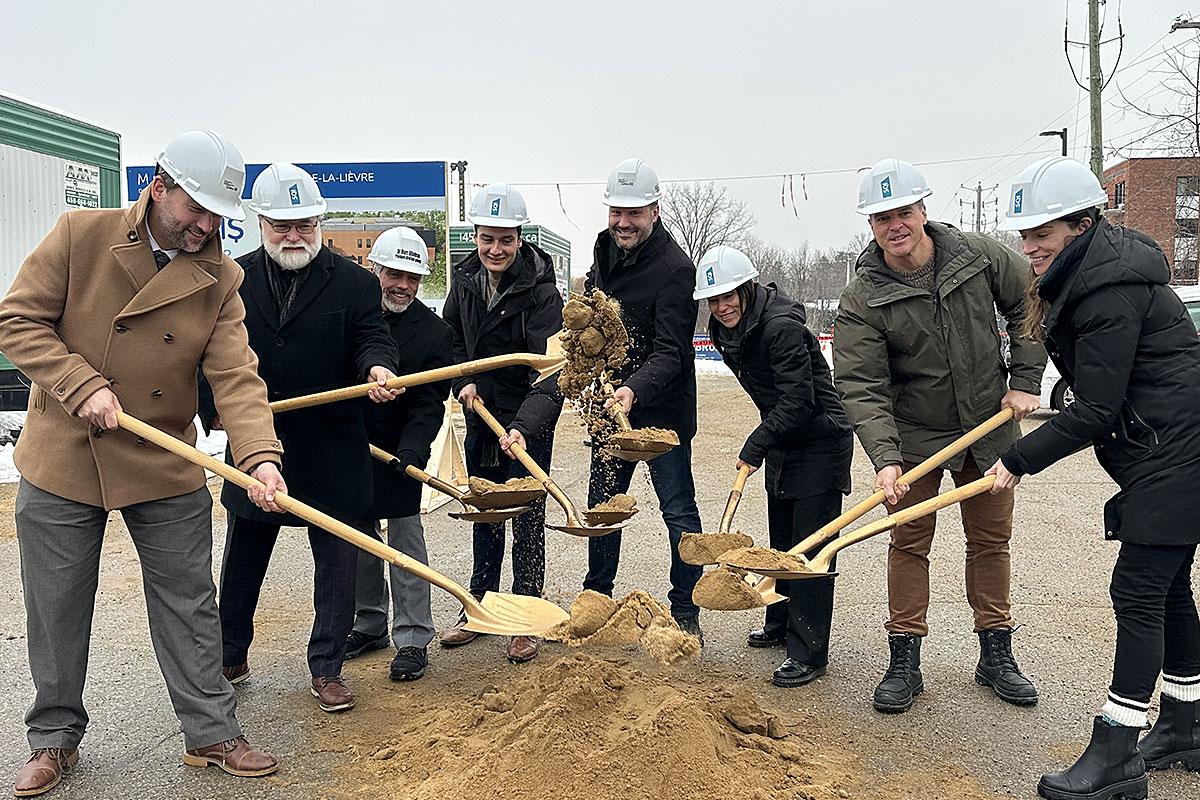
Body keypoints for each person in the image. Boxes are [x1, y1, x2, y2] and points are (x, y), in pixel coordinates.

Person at [0, 130, 287, 794]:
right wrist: (81, 384)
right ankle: (53, 739)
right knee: (57, 605)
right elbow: (17, 322)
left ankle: (212, 732)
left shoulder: (222, 278)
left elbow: (237, 379)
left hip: (161, 454)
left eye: (220, 215)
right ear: (158, 188)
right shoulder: (80, 236)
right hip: (63, 456)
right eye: (198, 208)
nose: (208, 226)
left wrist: (261, 457)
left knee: (190, 602)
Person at [987, 156, 1200, 800]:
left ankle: (1116, 754)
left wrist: (1017, 459)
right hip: (1166, 448)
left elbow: (1098, 410)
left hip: (1178, 452)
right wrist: (1053, 386)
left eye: (1042, 232)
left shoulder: (1107, 286)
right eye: (1025, 235)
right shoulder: (1096, 274)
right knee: (1165, 590)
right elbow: (1108, 376)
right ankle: (1186, 727)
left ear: (1081, 224)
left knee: (1137, 590)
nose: (1031, 246)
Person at [834, 157, 1046, 713]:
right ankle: (904, 656)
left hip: (988, 424)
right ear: (871, 226)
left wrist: (1024, 378)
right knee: (908, 540)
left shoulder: (977, 256)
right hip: (914, 433)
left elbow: (1031, 299)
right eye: (882, 218)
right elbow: (862, 383)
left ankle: (995, 650)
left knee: (991, 540)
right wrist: (884, 458)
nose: (894, 225)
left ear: (923, 209)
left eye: (903, 211)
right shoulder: (864, 296)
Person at [204, 163, 400, 714]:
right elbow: (208, 355)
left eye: (304, 225)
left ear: (319, 222)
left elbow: (373, 339)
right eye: (282, 226)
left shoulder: (356, 283)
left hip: (333, 444)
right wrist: (210, 408)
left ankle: (328, 668)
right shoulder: (232, 279)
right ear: (260, 222)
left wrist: (378, 370)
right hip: (258, 438)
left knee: (338, 564)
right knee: (244, 554)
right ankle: (229, 651)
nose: (294, 237)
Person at [695, 245, 853, 686]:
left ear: (747, 289)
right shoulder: (725, 331)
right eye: (714, 299)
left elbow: (800, 401)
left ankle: (809, 651)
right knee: (781, 540)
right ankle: (780, 621)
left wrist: (755, 444)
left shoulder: (781, 327)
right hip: (786, 435)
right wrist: (770, 437)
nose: (722, 306)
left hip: (820, 436)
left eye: (730, 296)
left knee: (809, 549)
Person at [582, 157, 705, 640]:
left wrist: (632, 389)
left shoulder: (676, 269)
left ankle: (686, 607)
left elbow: (673, 353)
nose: (623, 222)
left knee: (678, 511)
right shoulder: (603, 252)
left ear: (655, 209)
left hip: (661, 416)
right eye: (616, 211)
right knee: (603, 507)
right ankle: (598, 598)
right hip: (610, 414)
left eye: (634, 212)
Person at [441, 183, 564, 663]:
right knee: (484, 511)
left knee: (528, 517)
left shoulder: (542, 291)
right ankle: (481, 607)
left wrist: (525, 429)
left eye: (505, 239)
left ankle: (525, 615)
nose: (496, 249)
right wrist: (464, 378)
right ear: (476, 236)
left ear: (519, 238)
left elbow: (551, 372)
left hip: (525, 417)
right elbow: (451, 335)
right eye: (487, 238)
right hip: (479, 411)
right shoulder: (466, 278)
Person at [344, 226, 453, 682]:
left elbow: (430, 404)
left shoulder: (434, 335)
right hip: (351, 443)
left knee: (405, 542)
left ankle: (412, 637)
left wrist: (409, 456)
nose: (403, 285)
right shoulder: (351, 317)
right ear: (375, 270)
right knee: (357, 537)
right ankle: (369, 624)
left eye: (412, 277)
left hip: (400, 447)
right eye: (394, 274)